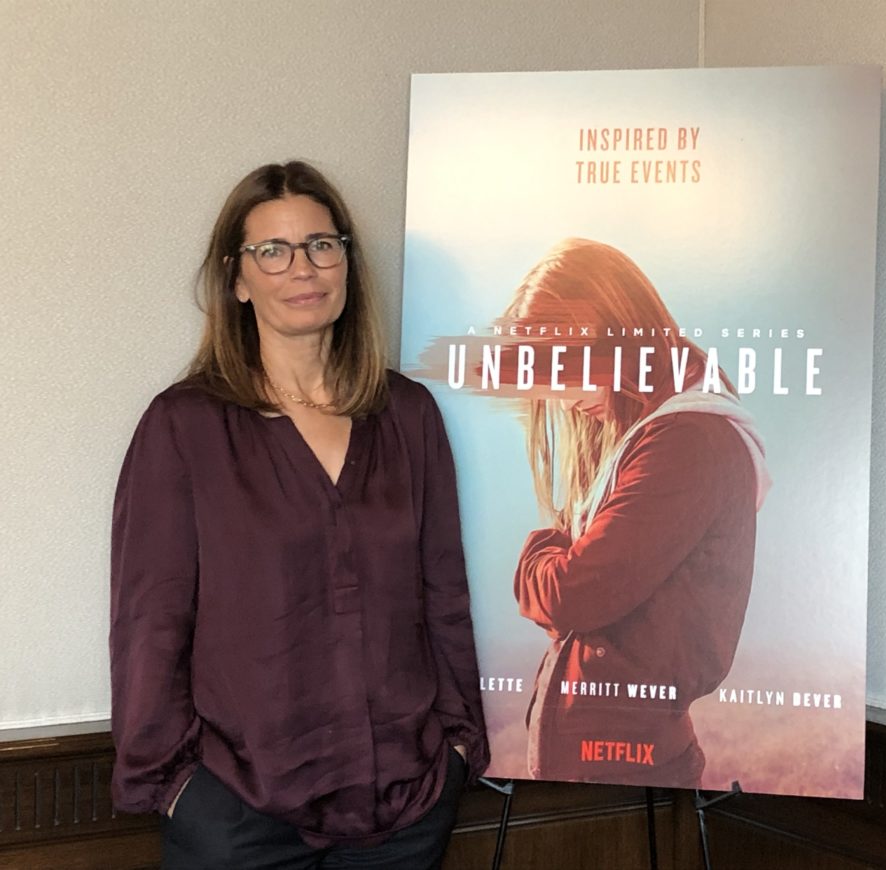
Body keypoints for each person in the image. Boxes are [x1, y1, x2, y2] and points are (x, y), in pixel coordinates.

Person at [109, 161, 488, 869]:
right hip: (237, 813)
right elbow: (150, 620)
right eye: (272, 251)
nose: (303, 268)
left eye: (321, 244)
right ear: (237, 279)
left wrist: (459, 745)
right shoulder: (184, 427)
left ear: (347, 261)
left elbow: (444, 594)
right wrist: (177, 788)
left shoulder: (408, 415)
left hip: (403, 807)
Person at [502, 239, 772, 787]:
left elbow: (572, 594)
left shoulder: (686, 440)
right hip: (613, 769)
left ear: (614, 336)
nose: (562, 397)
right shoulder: (657, 432)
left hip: (627, 774)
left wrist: (537, 554)